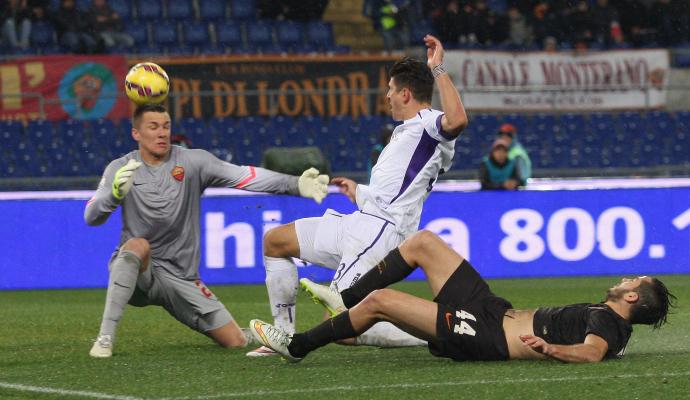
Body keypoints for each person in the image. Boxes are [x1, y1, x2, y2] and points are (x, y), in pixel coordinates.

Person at [248, 34, 468, 356]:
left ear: (405, 93)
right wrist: (360, 191)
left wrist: (438, 69)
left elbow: (458, 119)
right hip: (360, 222)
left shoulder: (429, 124)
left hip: (380, 234)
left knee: (344, 325)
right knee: (275, 241)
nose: (387, 96)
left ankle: (438, 335)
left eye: (391, 90)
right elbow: (395, 189)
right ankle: (282, 334)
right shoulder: (405, 132)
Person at [85, 104, 329, 358]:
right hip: (140, 273)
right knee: (137, 245)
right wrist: (112, 196)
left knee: (234, 340)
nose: (162, 133)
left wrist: (295, 184)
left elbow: (244, 175)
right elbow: (91, 217)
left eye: (166, 126)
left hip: (182, 278)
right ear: (136, 133)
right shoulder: (120, 168)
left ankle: (255, 335)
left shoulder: (193, 162)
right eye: (153, 127)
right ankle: (105, 338)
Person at [249, 230, 675, 363]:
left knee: (382, 302)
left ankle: (297, 345)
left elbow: (592, 354)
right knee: (424, 243)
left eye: (632, 281)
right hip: (493, 309)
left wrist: (550, 347)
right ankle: (346, 298)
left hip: (485, 335)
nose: (625, 279)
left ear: (633, 299)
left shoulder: (610, 324)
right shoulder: (608, 315)